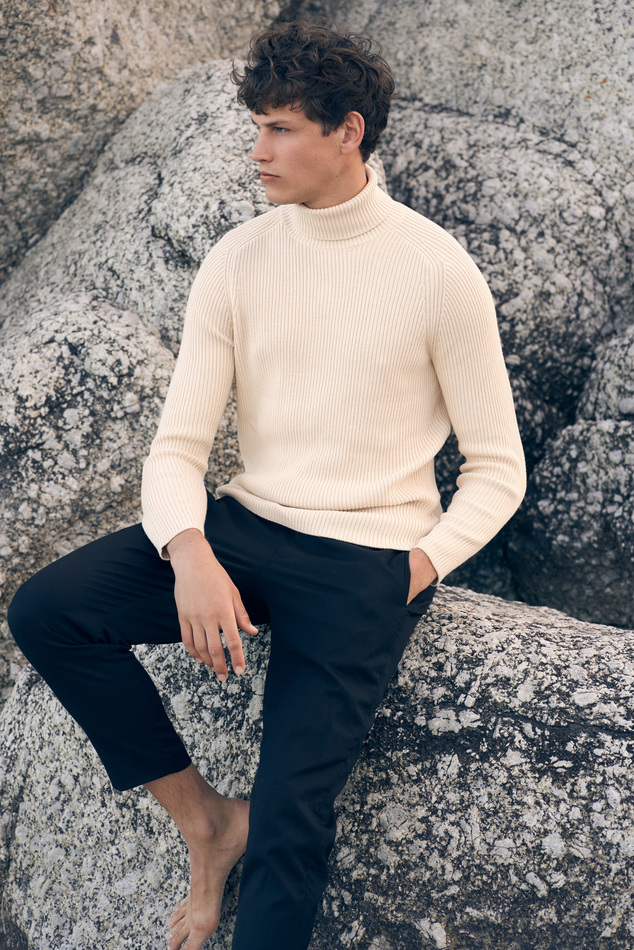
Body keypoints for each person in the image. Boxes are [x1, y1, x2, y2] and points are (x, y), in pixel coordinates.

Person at [8, 19, 526, 950]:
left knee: (291, 830)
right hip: (247, 530)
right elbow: (176, 449)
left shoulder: (438, 271)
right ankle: (206, 820)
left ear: (348, 132)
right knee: (49, 612)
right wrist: (190, 553)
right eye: (257, 127)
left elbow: (498, 469)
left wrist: (412, 570)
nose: (258, 152)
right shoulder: (239, 260)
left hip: (367, 561)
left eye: (281, 129)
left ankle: (249, 836)